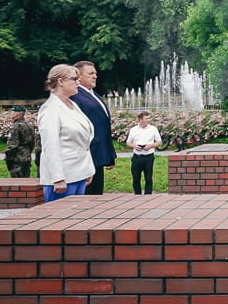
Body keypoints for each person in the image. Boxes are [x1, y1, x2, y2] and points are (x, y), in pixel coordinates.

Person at [37, 64, 95, 202]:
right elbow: (50, 146)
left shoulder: (72, 105)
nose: (78, 82)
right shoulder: (50, 109)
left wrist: (88, 169)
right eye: (74, 79)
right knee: (58, 220)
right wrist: (57, 178)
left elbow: (83, 141)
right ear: (61, 82)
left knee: (75, 219)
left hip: (79, 173)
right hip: (63, 178)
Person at [70, 60, 116, 195]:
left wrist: (109, 155)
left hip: (98, 156)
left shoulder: (93, 95)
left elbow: (103, 126)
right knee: (88, 196)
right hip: (87, 156)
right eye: (90, 73)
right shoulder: (75, 96)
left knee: (96, 196)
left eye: (95, 73)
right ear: (78, 76)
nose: (95, 76)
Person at [126, 111, 162, 195]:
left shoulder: (153, 129)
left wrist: (150, 146)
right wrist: (135, 146)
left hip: (148, 156)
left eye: (149, 118)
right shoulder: (133, 130)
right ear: (140, 119)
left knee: (148, 178)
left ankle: (148, 195)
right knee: (136, 178)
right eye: (147, 118)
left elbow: (159, 142)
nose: (148, 120)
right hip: (137, 157)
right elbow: (128, 143)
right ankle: (137, 194)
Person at [5, 105, 35, 178]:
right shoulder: (29, 126)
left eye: (12, 112)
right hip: (26, 158)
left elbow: (12, 146)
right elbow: (32, 143)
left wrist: (8, 159)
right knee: (26, 183)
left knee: (17, 185)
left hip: (17, 160)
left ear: (17, 114)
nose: (11, 114)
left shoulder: (15, 127)